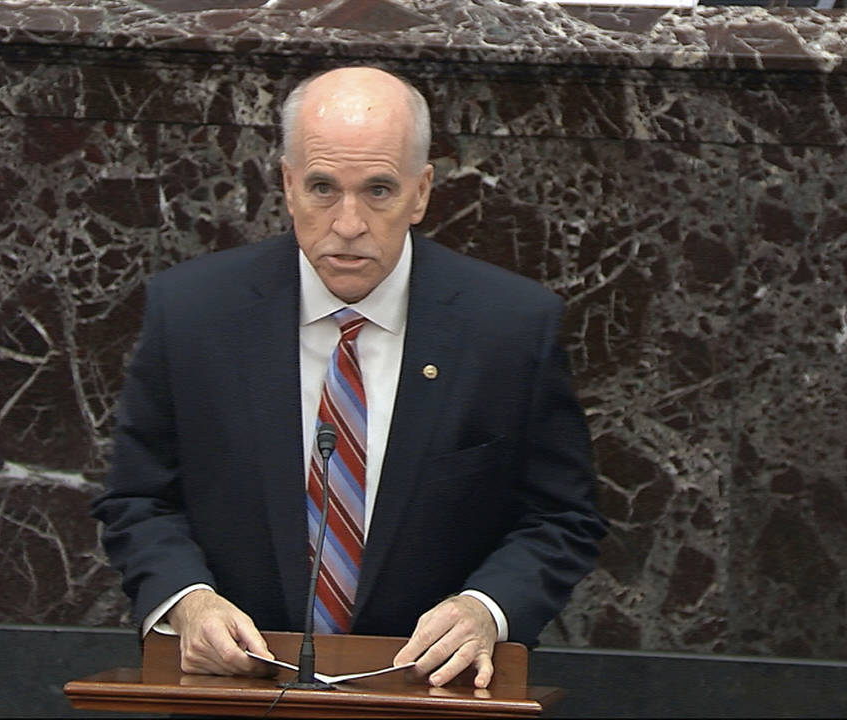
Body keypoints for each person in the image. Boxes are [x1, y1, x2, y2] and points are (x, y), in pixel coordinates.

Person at [90, 66, 607, 689]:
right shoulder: (195, 312)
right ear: (286, 184)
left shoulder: (511, 328)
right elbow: (138, 498)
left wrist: (485, 611)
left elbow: (560, 518)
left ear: (421, 192)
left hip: (431, 695)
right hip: (236, 693)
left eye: (380, 190)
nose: (349, 224)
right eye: (323, 187)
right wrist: (187, 601)